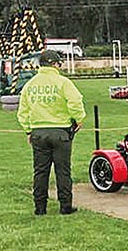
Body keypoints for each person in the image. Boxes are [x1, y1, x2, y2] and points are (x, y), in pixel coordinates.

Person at [17, 50, 86, 215]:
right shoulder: (63, 82)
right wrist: (79, 119)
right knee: (63, 171)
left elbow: (23, 111)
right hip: (60, 131)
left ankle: (40, 207)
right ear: (55, 64)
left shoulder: (30, 85)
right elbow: (75, 102)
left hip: (38, 133)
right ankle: (65, 206)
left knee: (40, 171)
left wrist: (28, 130)